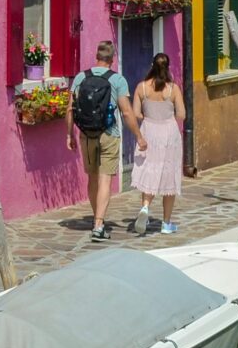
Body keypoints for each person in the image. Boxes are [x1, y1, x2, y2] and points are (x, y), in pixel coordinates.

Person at [71, 40, 138, 240]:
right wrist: (139, 136)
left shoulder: (81, 77)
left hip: (86, 134)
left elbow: (70, 108)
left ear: (97, 57)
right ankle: (99, 224)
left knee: (92, 178)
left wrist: (69, 134)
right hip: (109, 134)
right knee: (105, 179)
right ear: (112, 59)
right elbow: (126, 112)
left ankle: (96, 219)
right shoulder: (117, 80)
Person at [128, 52, 187, 235]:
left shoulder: (141, 88)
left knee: (150, 171)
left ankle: (145, 206)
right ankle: (166, 223)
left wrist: (148, 116)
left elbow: (136, 114)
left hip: (149, 131)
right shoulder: (173, 89)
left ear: (151, 65)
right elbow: (182, 115)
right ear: (168, 67)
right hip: (169, 133)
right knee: (169, 175)